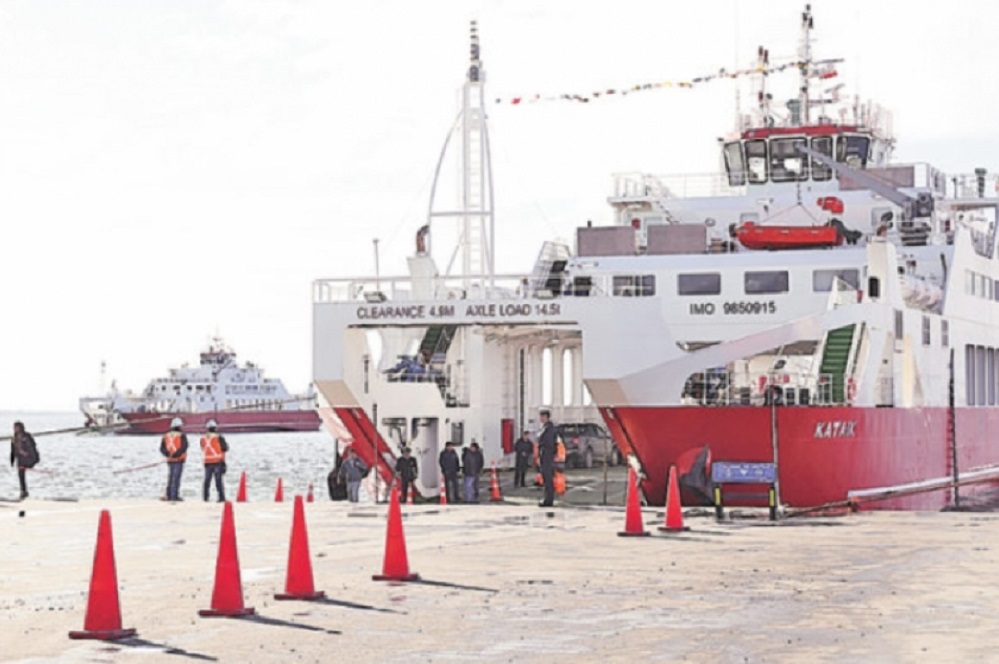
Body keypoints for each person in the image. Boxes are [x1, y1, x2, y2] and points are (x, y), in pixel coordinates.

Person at [159, 417, 189, 502]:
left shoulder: (166, 435)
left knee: (171, 477)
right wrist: (177, 454)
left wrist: (168, 454)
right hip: (179, 460)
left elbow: (162, 448)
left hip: (170, 460)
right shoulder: (182, 435)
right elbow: (184, 446)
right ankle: (174, 496)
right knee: (176, 478)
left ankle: (169, 495)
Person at [200, 419, 228, 502]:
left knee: (207, 481)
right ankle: (221, 498)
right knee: (218, 481)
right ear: (215, 428)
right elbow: (225, 448)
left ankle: (205, 498)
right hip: (217, 461)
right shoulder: (219, 437)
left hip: (207, 462)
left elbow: (202, 448)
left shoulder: (203, 438)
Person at [10, 421, 39, 501]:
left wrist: (28, 453)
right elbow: (12, 450)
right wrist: (12, 460)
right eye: (14, 427)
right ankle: (23, 491)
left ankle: (24, 491)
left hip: (29, 457)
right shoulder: (14, 437)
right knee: (21, 474)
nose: (15, 429)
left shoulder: (27, 436)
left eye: (17, 427)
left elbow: (33, 446)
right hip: (20, 458)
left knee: (22, 470)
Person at [537, 409, 557, 507]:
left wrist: (542, 446)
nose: (540, 418)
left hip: (547, 455)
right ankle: (547, 498)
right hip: (545, 455)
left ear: (546, 417)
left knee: (548, 478)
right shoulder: (546, 428)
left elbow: (549, 442)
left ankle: (549, 500)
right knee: (546, 478)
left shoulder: (549, 429)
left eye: (542, 416)